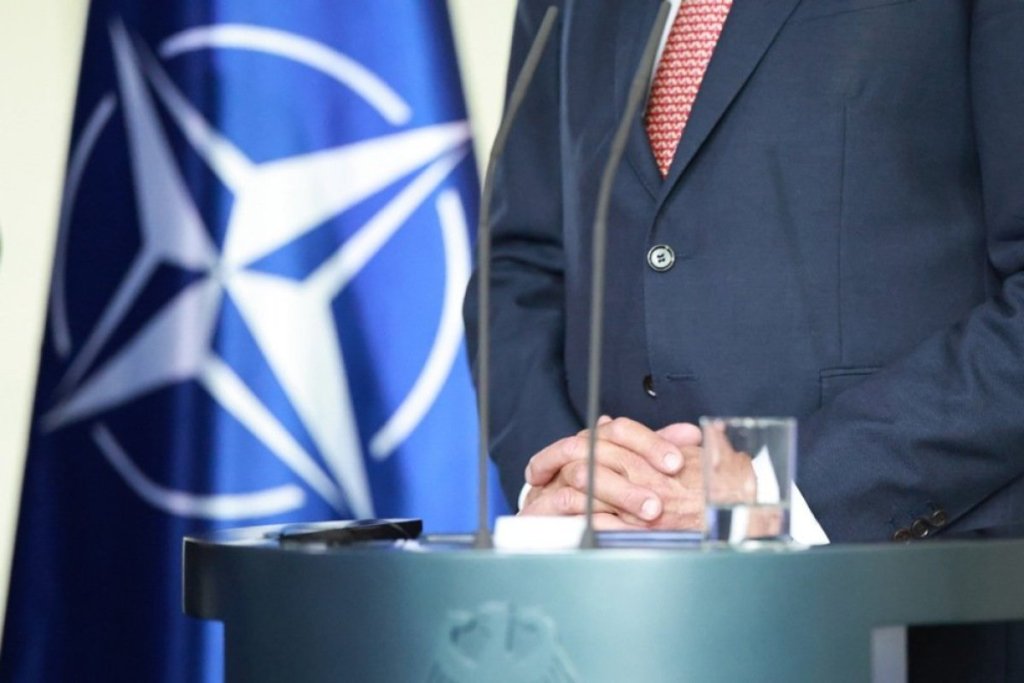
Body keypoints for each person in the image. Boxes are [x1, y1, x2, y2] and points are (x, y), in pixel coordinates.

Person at [464, 0, 1024, 678]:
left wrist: (773, 488)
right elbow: (518, 265)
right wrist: (570, 480)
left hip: (911, 604)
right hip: (612, 616)